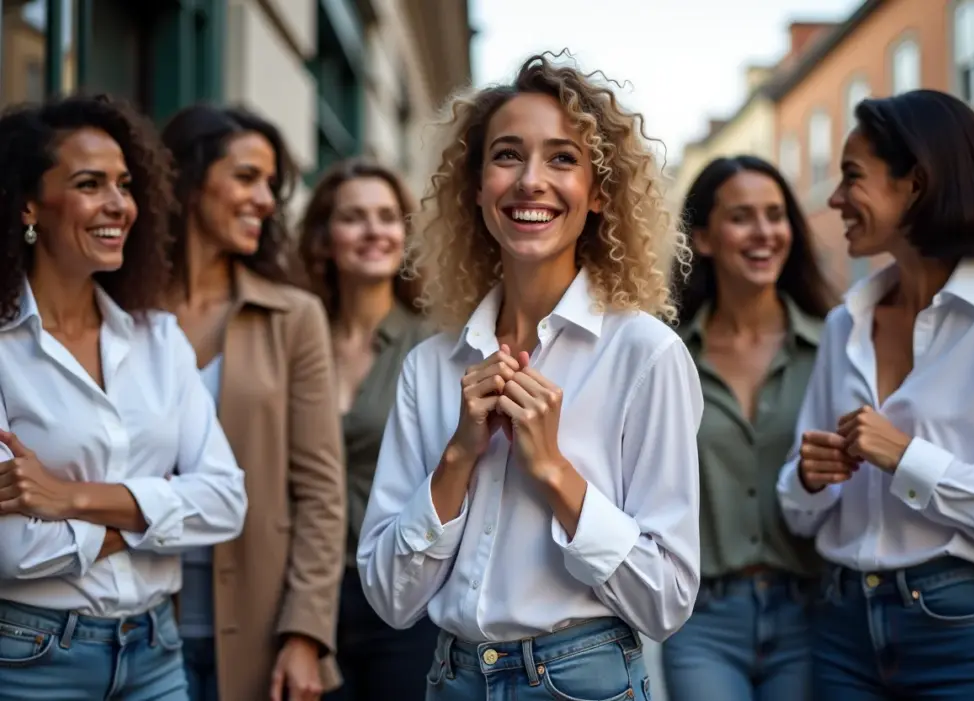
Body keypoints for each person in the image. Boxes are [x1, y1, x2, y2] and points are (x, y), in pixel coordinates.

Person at [356, 52, 703, 700]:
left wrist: (554, 471)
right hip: (451, 678)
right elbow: (390, 596)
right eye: (508, 155)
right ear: (476, 186)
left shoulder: (645, 355)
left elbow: (667, 600)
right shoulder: (430, 366)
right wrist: (458, 457)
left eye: (562, 158)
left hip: (585, 681)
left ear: (599, 192)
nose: (530, 181)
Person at [776, 89, 974, 699]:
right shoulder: (844, 325)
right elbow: (798, 511)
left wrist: (908, 457)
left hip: (958, 631)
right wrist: (808, 480)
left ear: (915, 183)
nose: (834, 199)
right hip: (839, 631)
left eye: (852, 177)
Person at [0, 95, 247, 699]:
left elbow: (225, 502)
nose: (120, 206)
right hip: (32, 660)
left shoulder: (157, 337)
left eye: (126, 184)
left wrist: (70, 497)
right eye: (90, 184)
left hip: (156, 652)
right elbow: (14, 550)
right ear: (28, 203)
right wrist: (152, 515)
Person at [160, 104, 345, 701]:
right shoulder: (121, 314)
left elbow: (321, 492)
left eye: (271, 184)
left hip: (261, 635)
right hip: (133, 627)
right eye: (246, 178)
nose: (265, 200)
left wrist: (306, 633)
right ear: (188, 181)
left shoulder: (294, 317)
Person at [661, 155, 837, 701]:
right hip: (703, 620)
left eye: (775, 215)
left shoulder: (835, 344)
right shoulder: (668, 356)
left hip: (813, 611)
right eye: (742, 217)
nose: (764, 233)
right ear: (705, 238)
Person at [298, 158, 437, 701]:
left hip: (404, 598)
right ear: (324, 238)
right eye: (354, 218)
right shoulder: (296, 341)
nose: (375, 231)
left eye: (388, 216)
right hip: (307, 596)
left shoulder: (434, 345)